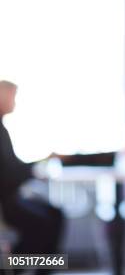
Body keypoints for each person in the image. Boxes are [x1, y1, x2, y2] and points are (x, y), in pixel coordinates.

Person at [0, 80, 65, 274]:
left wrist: (40, 163)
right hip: (6, 202)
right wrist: (37, 168)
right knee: (43, 224)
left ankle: (44, 270)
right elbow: (9, 175)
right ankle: (12, 266)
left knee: (55, 214)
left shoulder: (2, 129)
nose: (14, 102)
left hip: (13, 197)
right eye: (12, 96)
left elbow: (13, 168)